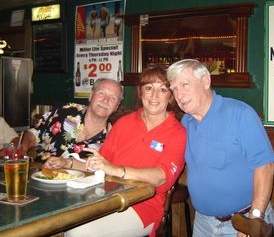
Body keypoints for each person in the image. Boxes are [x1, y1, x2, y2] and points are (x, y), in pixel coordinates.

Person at [45, 65, 186, 236]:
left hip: (143, 206)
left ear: (170, 96)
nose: (154, 96)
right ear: (141, 93)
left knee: (78, 232)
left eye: (162, 89)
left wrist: (118, 170)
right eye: (149, 88)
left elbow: (161, 177)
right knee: (57, 220)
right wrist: (68, 162)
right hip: (105, 198)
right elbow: (100, 164)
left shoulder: (177, 132)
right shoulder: (124, 123)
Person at [167, 59, 274, 237]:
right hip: (203, 222)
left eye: (185, 85)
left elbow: (265, 166)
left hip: (243, 221)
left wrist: (253, 222)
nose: (179, 94)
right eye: (174, 89)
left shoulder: (239, 113)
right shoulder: (186, 122)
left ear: (205, 81)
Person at [19, 78, 123, 163]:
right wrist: (23, 147)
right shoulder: (64, 111)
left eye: (113, 98)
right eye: (101, 93)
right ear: (91, 96)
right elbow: (34, 132)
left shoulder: (113, 136)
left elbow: (104, 166)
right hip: (40, 174)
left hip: (80, 185)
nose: (105, 100)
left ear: (116, 107)